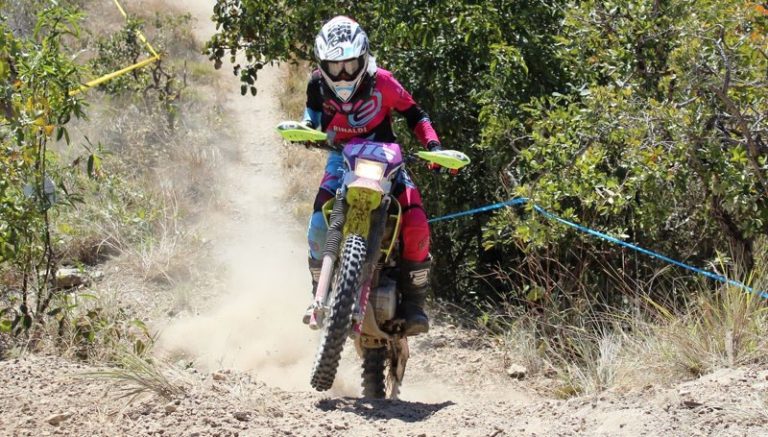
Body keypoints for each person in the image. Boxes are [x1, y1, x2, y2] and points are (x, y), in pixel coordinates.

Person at [303, 15, 444, 336]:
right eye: (335, 66)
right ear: (323, 64)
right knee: (318, 223)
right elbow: (310, 115)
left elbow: (415, 114)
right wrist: (306, 130)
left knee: (416, 221)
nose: (342, 74)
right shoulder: (316, 84)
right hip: (341, 158)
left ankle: (414, 304)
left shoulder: (384, 82)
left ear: (363, 57)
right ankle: (318, 292)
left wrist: (433, 145)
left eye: (350, 65)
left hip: (386, 158)